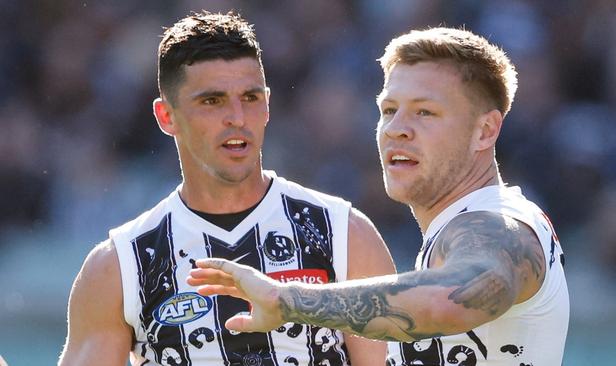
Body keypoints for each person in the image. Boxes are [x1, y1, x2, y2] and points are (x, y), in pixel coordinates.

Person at [188, 27, 570, 366]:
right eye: (388, 110)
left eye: (425, 112)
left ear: (485, 131)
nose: (396, 130)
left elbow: (450, 299)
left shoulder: (498, 224)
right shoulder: (453, 232)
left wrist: (285, 299)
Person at [59, 11, 395, 366]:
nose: (237, 116)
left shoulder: (342, 234)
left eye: (250, 98)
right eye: (212, 101)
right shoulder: (121, 264)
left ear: (267, 103)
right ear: (166, 116)